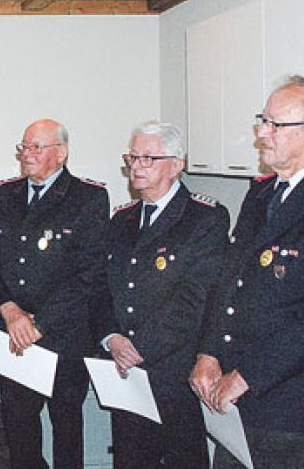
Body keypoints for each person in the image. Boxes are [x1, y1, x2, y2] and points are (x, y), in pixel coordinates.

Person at [190, 75, 304, 469]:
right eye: (262, 121)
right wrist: (209, 352)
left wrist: (246, 375)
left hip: (293, 406)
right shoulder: (263, 192)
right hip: (237, 394)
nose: (261, 134)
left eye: (275, 124)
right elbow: (230, 282)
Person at [0, 119, 108, 469]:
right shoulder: (6, 194)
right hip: (14, 335)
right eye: (24, 146)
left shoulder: (89, 197)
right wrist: (10, 313)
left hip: (64, 337)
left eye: (37, 147)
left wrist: (40, 323)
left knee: (67, 431)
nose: (27, 154)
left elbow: (89, 275)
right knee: (20, 435)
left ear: (61, 154)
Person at [98, 121, 228, 468]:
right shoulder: (122, 220)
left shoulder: (204, 218)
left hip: (174, 370)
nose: (136, 166)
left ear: (177, 164)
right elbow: (105, 287)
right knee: (129, 457)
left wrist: (140, 346)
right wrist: (112, 337)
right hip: (125, 368)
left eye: (148, 158)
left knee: (183, 458)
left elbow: (195, 297)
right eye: (133, 157)